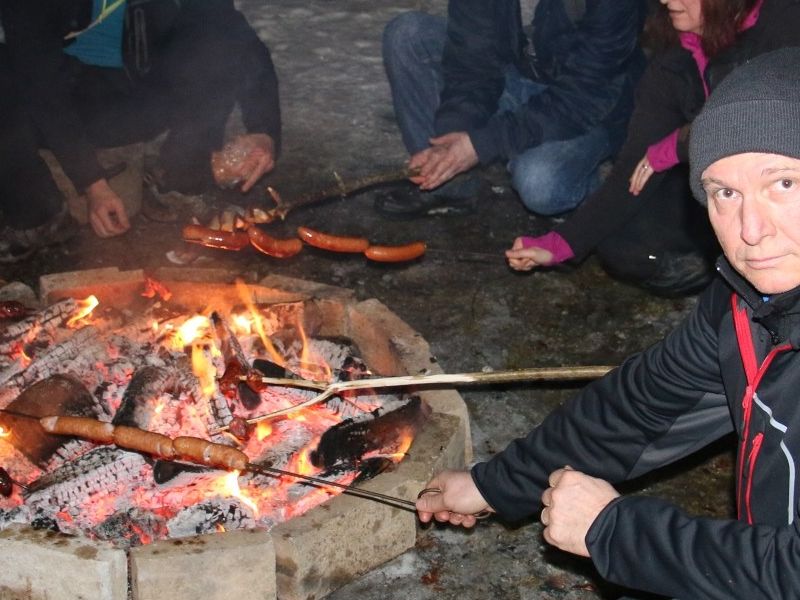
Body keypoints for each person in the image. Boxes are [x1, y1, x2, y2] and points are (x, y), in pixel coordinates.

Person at [417, 47, 800, 599]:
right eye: (725, 192)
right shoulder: (743, 303)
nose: (751, 229)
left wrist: (613, 531)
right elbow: (642, 405)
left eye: (782, 184)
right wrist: (491, 486)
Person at [506, 0, 800, 297]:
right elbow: (632, 170)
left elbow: (771, 121)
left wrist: (679, 144)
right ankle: (718, 267)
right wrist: (559, 245)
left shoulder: (783, 22)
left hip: (786, 188)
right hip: (723, 189)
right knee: (624, 247)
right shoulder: (673, 62)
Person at [0, 0, 281, 261]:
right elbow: (40, 85)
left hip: (139, 100)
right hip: (63, 98)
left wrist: (264, 132)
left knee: (213, 46)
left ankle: (181, 178)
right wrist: (92, 184)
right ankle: (37, 217)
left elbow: (238, 41)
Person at [375, 0, 647, 219]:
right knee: (408, 35)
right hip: (518, 76)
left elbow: (584, 95)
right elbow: (472, 58)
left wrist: (483, 144)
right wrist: (453, 135)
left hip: (592, 107)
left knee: (540, 183)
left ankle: (597, 194)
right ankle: (449, 184)